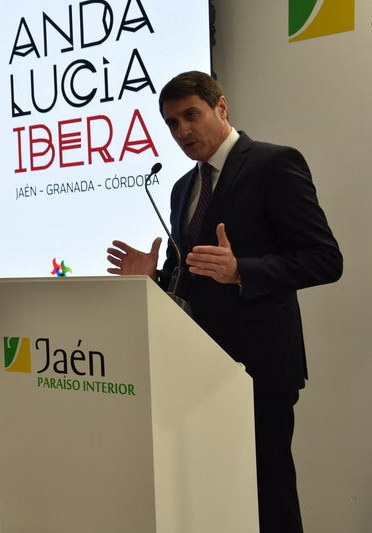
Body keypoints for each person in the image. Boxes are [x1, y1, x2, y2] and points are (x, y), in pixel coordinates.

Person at [106, 71, 342, 532]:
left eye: (191, 116)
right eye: (172, 123)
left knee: (268, 494)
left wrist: (244, 271)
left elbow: (325, 259)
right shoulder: (181, 189)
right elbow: (192, 274)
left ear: (222, 107)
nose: (182, 132)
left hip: (259, 367)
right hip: (198, 369)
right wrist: (154, 278)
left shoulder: (274, 164)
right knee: (216, 493)